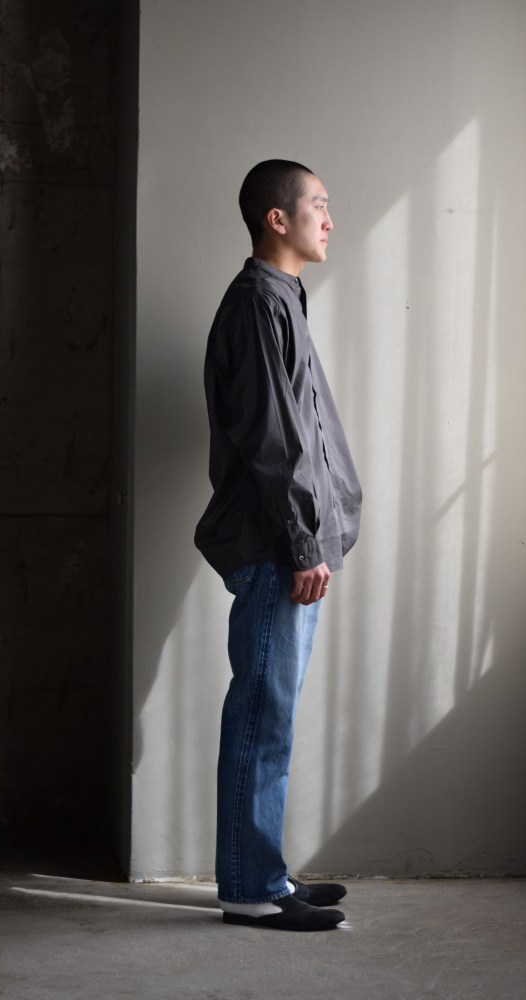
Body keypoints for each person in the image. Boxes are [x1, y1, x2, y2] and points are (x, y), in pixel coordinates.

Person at [195, 159, 362, 931]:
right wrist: (301, 543)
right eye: (317, 205)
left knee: (271, 715)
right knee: (262, 717)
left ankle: (265, 873)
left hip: (287, 544)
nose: (328, 219)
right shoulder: (260, 303)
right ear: (277, 218)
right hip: (276, 548)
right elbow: (272, 441)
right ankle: (251, 890)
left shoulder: (281, 298)